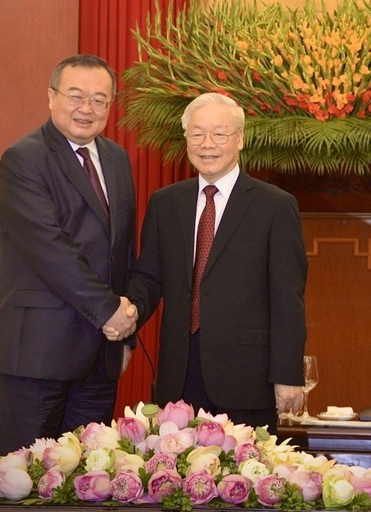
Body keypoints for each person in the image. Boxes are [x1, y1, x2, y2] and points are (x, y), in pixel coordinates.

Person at [0, 54, 138, 456]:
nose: (87, 108)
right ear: (51, 97)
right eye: (75, 95)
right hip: (36, 355)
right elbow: (51, 250)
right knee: (23, 481)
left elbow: (120, 252)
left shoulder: (118, 160)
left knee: (87, 483)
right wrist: (111, 312)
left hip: (99, 357)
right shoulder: (24, 159)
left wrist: (124, 336)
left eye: (99, 99)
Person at [125, 93, 307, 433]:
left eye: (219, 134)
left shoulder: (275, 206)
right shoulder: (166, 204)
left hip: (247, 378)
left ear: (239, 138)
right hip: (179, 374)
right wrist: (128, 312)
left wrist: (287, 374)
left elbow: (288, 296)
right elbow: (148, 277)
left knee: (245, 482)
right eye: (197, 134)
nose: (207, 144)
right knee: (178, 480)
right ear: (186, 139)